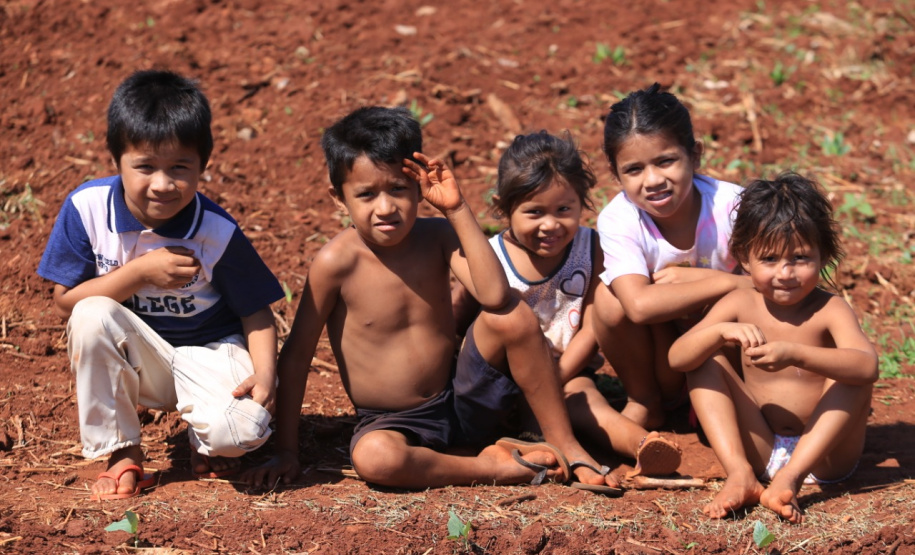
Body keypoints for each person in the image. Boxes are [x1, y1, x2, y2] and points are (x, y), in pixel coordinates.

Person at [243, 106, 617, 491]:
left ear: (419, 187)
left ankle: (566, 446)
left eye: (398, 189)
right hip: (392, 421)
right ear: (339, 199)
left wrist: (456, 209)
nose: (385, 207)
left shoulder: (436, 237)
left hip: (459, 398)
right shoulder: (335, 263)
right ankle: (496, 467)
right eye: (366, 194)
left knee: (511, 315)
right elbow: (298, 355)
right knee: (375, 457)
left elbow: (494, 295)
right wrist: (287, 449)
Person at [37, 70, 284, 500]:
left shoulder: (215, 230)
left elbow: (256, 311)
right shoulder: (88, 208)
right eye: (145, 166)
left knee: (242, 430)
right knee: (91, 314)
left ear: (203, 165)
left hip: (208, 351)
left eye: (180, 168)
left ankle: (205, 438)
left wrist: (265, 373)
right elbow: (65, 304)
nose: (162, 184)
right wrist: (139, 273)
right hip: (141, 358)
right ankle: (122, 451)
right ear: (116, 160)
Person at [456, 131, 682, 480]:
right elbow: (463, 327)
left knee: (586, 401)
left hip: (568, 373)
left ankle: (643, 445)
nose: (551, 224)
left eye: (564, 209)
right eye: (534, 212)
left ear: (582, 202)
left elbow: (593, 326)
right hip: (502, 385)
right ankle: (532, 440)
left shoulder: (590, 246)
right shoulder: (490, 258)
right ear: (503, 208)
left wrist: (553, 382)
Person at [668, 172, 878, 523]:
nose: (784, 272)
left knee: (852, 372)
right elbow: (678, 358)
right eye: (769, 259)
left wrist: (796, 354)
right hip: (761, 445)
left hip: (825, 455)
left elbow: (868, 368)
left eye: (799, 258)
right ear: (744, 258)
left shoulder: (830, 308)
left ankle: (789, 479)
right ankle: (739, 473)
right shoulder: (739, 301)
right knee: (704, 358)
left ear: (823, 255)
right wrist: (720, 332)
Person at [592, 83, 752, 430]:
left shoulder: (733, 206)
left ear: (694, 155)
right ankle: (646, 401)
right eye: (634, 169)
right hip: (667, 356)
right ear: (615, 173)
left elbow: (774, 286)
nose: (653, 180)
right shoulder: (619, 218)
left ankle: (735, 398)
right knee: (608, 299)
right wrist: (729, 282)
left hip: (734, 347)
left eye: (666, 161)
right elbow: (637, 306)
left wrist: (705, 280)